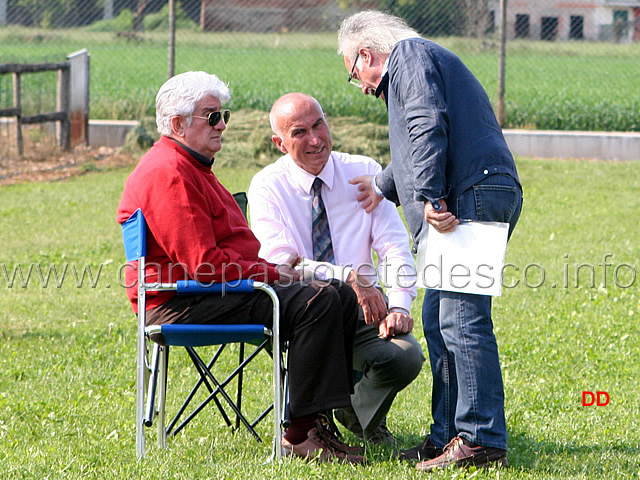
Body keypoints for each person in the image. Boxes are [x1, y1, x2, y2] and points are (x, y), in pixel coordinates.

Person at [116, 71, 365, 464]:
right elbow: (203, 266)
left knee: (340, 295)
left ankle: (316, 420)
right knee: (317, 301)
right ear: (179, 124)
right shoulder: (170, 173)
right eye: (212, 117)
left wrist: (273, 271)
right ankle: (300, 435)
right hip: (181, 302)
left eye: (223, 114)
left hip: (210, 291)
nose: (223, 125)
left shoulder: (190, 165)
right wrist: (272, 274)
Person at [338, 11, 523, 472]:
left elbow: (425, 124)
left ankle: (480, 439)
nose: (360, 86)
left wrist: (430, 197)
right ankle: (446, 435)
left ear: (367, 54)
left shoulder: (409, 56)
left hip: (465, 196)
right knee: (438, 318)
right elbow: (416, 140)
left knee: (461, 320)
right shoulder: (417, 61)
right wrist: (381, 184)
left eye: (353, 73)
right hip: (471, 190)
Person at [248, 93, 425, 446]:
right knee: (320, 303)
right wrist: (347, 277)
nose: (315, 139)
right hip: (304, 312)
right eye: (299, 132)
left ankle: (350, 412)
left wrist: (400, 305)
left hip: (364, 312)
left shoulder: (364, 172)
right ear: (279, 143)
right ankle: (330, 422)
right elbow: (282, 265)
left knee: (406, 357)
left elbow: (394, 245)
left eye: (319, 125)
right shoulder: (267, 186)